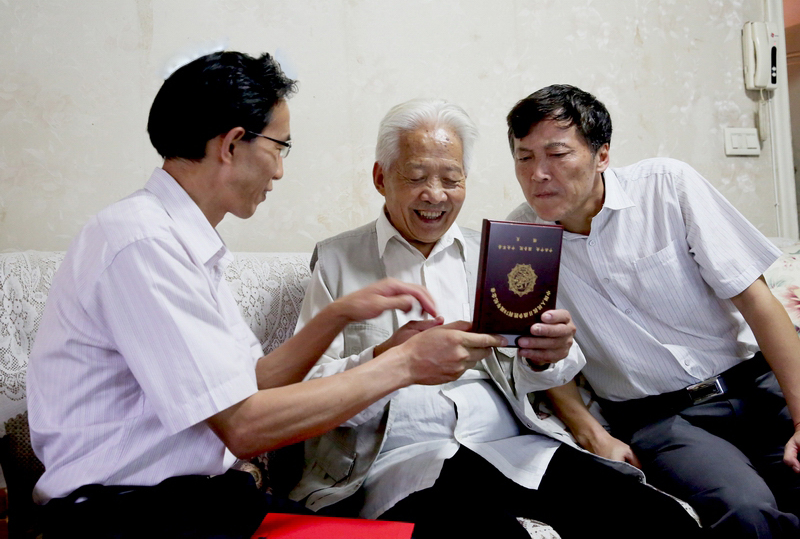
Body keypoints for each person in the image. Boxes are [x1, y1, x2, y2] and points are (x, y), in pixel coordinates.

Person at [26, 52, 504, 539]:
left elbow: (253, 385)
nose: (278, 171)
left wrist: (338, 315)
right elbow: (245, 427)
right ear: (233, 144)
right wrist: (405, 365)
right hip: (130, 515)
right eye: (280, 147)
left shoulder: (182, 241)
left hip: (203, 502)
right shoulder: (141, 243)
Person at [288, 98, 700, 539]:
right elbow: (307, 393)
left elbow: (536, 376)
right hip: (404, 461)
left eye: (451, 179)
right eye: (417, 177)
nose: (435, 195)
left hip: (512, 447)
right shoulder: (337, 260)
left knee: (659, 520)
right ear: (380, 178)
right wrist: (389, 358)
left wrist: (546, 356)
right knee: (487, 533)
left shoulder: (500, 252)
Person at [506, 83, 800, 538]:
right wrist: (593, 434)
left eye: (557, 154)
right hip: (662, 420)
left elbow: (756, 299)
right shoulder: (520, 242)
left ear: (602, 155)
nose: (538, 174)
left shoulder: (667, 186)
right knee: (745, 511)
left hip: (756, 386)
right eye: (524, 158)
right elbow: (541, 356)